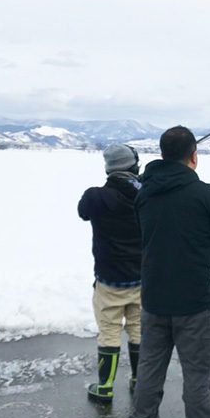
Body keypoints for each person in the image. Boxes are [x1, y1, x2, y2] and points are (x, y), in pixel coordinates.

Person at [130, 125, 210, 418]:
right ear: (193, 156)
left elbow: (141, 236)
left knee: (149, 368)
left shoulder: (144, 193)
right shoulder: (206, 195)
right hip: (194, 300)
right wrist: (200, 266)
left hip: (154, 296)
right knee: (197, 375)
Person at [77, 144, 143, 404]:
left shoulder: (95, 197)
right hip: (141, 278)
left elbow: (82, 211)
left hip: (108, 280)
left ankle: (105, 386)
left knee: (109, 331)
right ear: (133, 166)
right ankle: (139, 382)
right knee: (139, 329)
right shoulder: (145, 195)